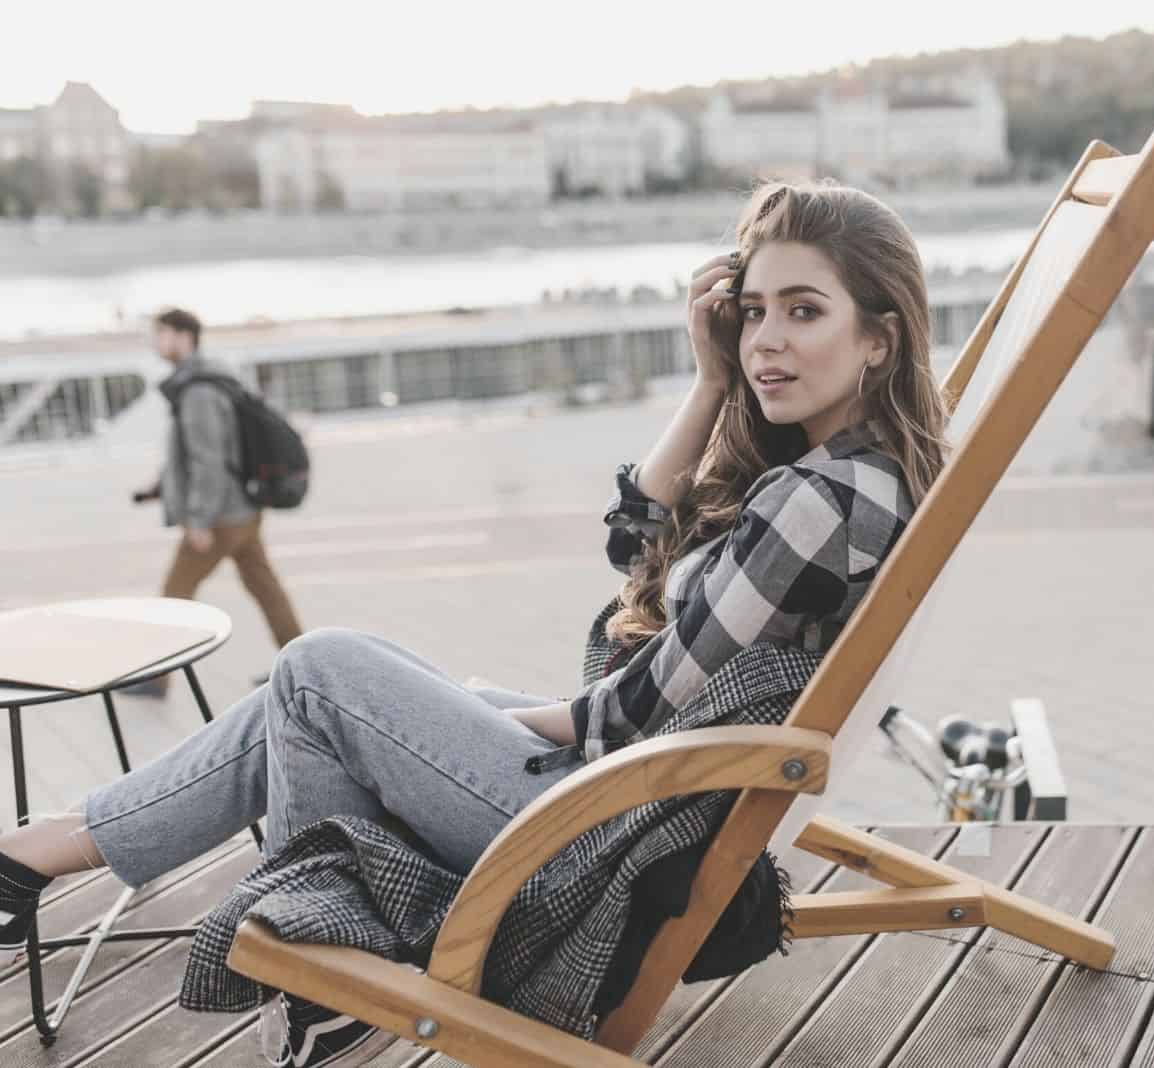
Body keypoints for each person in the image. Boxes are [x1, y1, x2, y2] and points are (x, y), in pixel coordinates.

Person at [0, 182, 948, 1067]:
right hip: (636, 796)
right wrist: (708, 386)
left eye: (805, 310)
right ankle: (70, 860)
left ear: (880, 338)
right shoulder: (849, 475)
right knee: (331, 689)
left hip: (607, 841)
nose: (764, 342)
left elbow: (628, 715)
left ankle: (239, 927)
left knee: (322, 671)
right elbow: (636, 556)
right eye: (753, 312)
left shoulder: (819, 501)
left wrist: (481, 717)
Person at [126, 308, 304, 697]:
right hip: (243, 509)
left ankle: (156, 679)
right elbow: (200, 454)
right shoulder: (212, 378)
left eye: (160, 334)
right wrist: (162, 485)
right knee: (265, 587)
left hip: (222, 515)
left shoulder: (198, 391)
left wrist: (199, 519)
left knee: (174, 595)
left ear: (183, 337)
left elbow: (208, 460)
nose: (155, 343)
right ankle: (304, 670)